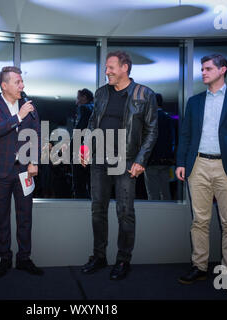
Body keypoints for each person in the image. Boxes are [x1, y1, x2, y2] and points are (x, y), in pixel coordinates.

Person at [175, 54, 227, 298]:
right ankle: (199, 267)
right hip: (198, 165)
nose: (203, 72)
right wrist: (181, 162)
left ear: (223, 70)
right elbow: (186, 134)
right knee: (199, 221)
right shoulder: (194, 101)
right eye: (202, 69)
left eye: (208, 68)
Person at [80, 51, 158, 280]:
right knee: (98, 210)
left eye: (111, 67)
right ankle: (99, 256)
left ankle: (123, 260)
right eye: (106, 68)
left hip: (126, 161)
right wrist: (85, 148)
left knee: (125, 212)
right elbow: (93, 122)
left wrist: (141, 160)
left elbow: (152, 131)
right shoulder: (101, 93)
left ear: (125, 68)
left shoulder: (144, 94)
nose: (107, 72)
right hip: (99, 159)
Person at [0, 66, 43, 278]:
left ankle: (24, 258)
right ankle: (5, 258)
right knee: (2, 217)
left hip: (24, 170)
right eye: (18, 82)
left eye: (22, 81)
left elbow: (36, 134)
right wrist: (18, 116)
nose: (22, 86)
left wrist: (33, 162)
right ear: (4, 85)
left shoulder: (29, 106)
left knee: (25, 216)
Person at [144, 93, 175, 200]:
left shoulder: (148, 119)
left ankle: (154, 216)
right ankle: (168, 215)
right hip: (166, 160)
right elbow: (173, 139)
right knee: (165, 191)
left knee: (153, 193)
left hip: (151, 160)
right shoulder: (169, 118)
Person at [72, 89, 94, 198]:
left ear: (84, 97)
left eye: (78, 97)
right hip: (93, 150)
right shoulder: (96, 109)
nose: (77, 100)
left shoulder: (84, 108)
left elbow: (79, 130)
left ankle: (79, 208)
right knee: (91, 182)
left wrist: (71, 149)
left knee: (79, 182)